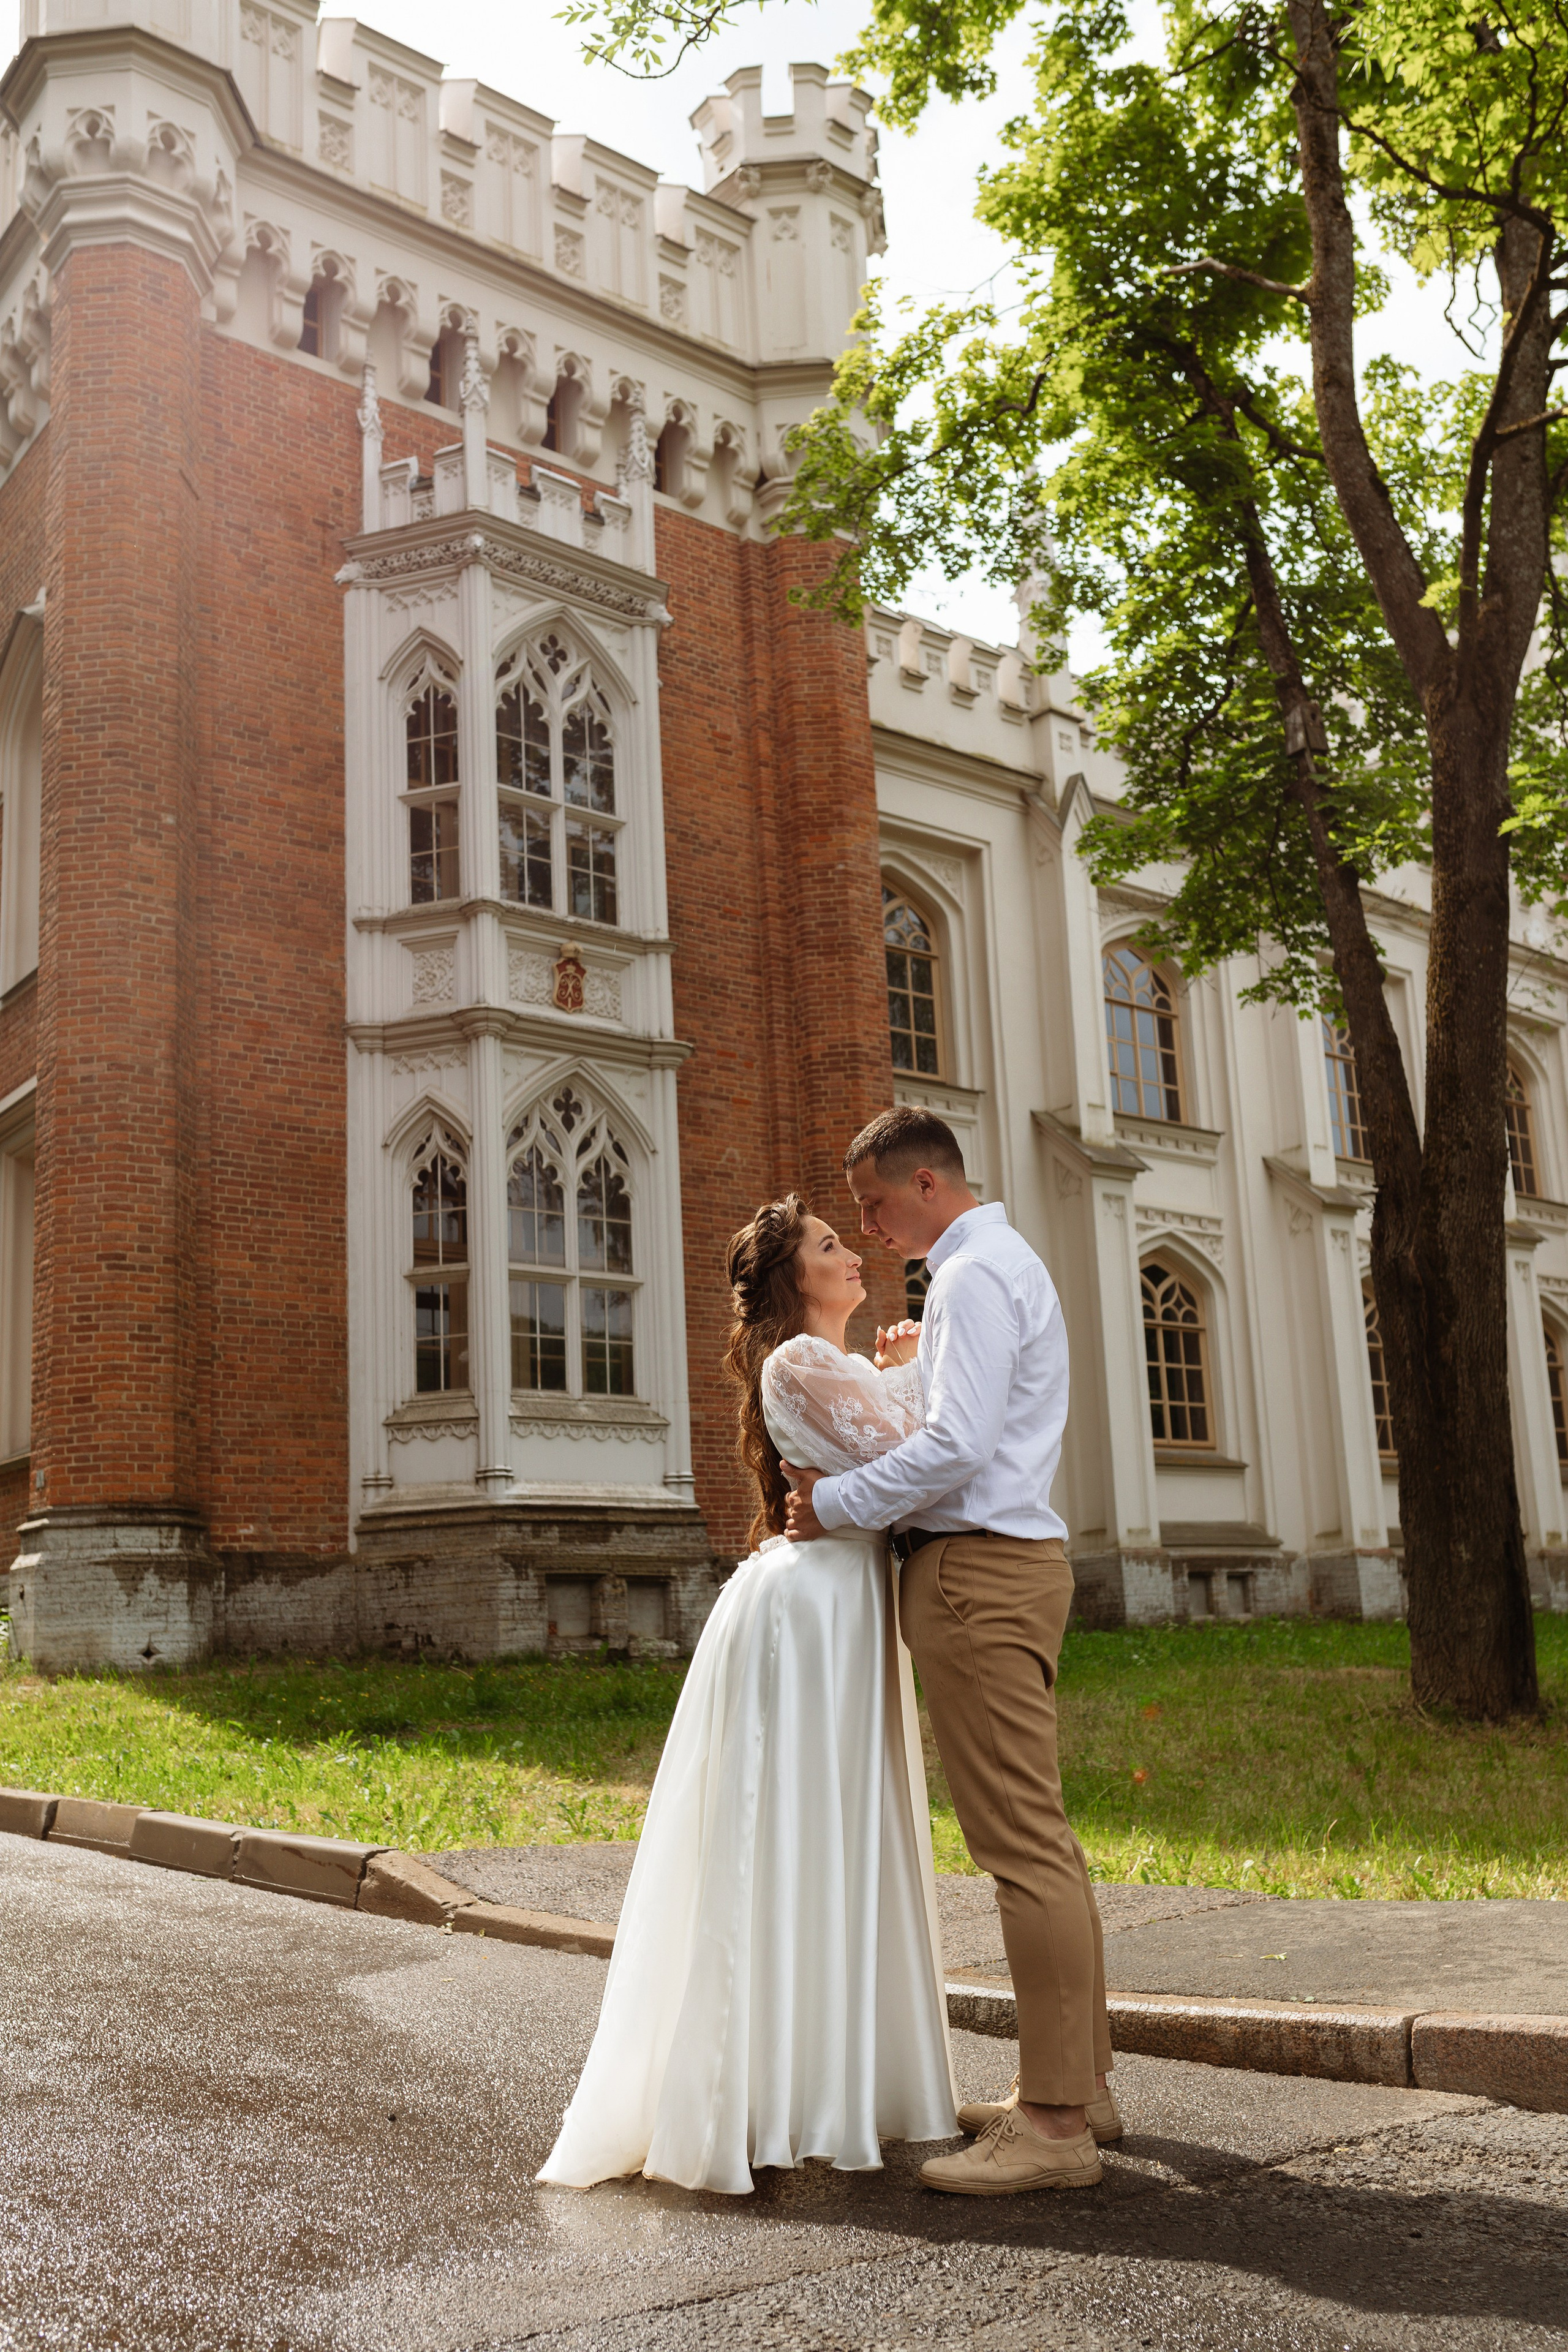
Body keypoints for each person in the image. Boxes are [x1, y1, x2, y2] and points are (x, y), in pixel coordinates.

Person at [537, 1193, 958, 2195]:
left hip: (846, 1603)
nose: (851, 1256)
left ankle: (831, 2081)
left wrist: (901, 1372)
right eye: (828, 1246)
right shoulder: (799, 1362)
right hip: (809, 1617)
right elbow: (918, 1460)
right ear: (788, 1279)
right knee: (791, 1835)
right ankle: (758, 2090)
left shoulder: (841, 1366)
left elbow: (903, 1446)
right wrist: (917, 1373)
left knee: (840, 1833)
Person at [783, 1105, 1117, 2198]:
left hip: (977, 1573)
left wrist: (833, 1504)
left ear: (926, 1184)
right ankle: (1079, 2089)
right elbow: (970, 1424)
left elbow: (959, 1447)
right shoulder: (996, 1266)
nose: (869, 1228)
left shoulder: (971, 1276)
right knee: (1043, 1837)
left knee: (1020, 1845)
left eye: (874, 1204)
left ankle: (1055, 2128)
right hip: (1004, 1568)